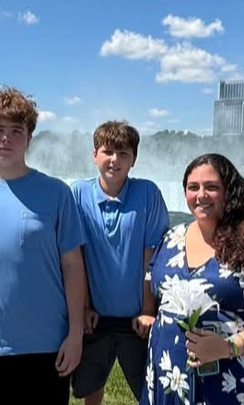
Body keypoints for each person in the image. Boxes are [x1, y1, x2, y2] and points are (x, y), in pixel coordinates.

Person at [0, 87, 87, 405]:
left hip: (45, 345)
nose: (6, 139)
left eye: (16, 131)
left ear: (29, 139)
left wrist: (75, 334)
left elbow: (73, 266)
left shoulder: (57, 193)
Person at [140, 153, 244, 405]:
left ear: (229, 191)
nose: (201, 195)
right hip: (171, 382)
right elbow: (154, 283)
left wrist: (229, 347)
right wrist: (147, 312)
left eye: (211, 187)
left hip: (238, 387)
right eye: (193, 187)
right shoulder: (171, 239)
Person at [70, 121, 169, 405]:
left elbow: (152, 254)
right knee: (90, 387)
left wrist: (148, 309)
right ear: (95, 155)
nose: (115, 159)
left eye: (124, 153)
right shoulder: (78, 194)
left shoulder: (148, 194)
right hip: (95, 317)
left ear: (134, 160)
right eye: (108, 151)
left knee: (150, 390)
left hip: (138, 319)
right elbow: (77, 255)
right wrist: (84, 306)